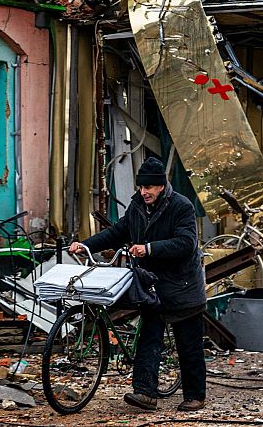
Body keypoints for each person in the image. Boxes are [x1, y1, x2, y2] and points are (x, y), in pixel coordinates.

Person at [69, 156, 207, 412]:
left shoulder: (181, 206)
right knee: (149, 338)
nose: (144, 192)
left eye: (149, 188)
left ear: (162, 186)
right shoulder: (136, 207)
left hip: (182, 286)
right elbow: (116, 232)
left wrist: (150, 249)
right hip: (152, 286)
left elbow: (186, 243)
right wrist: (86, 244)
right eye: (141, 187)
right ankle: (145, 393)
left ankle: (195, 395)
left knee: (188, 344)